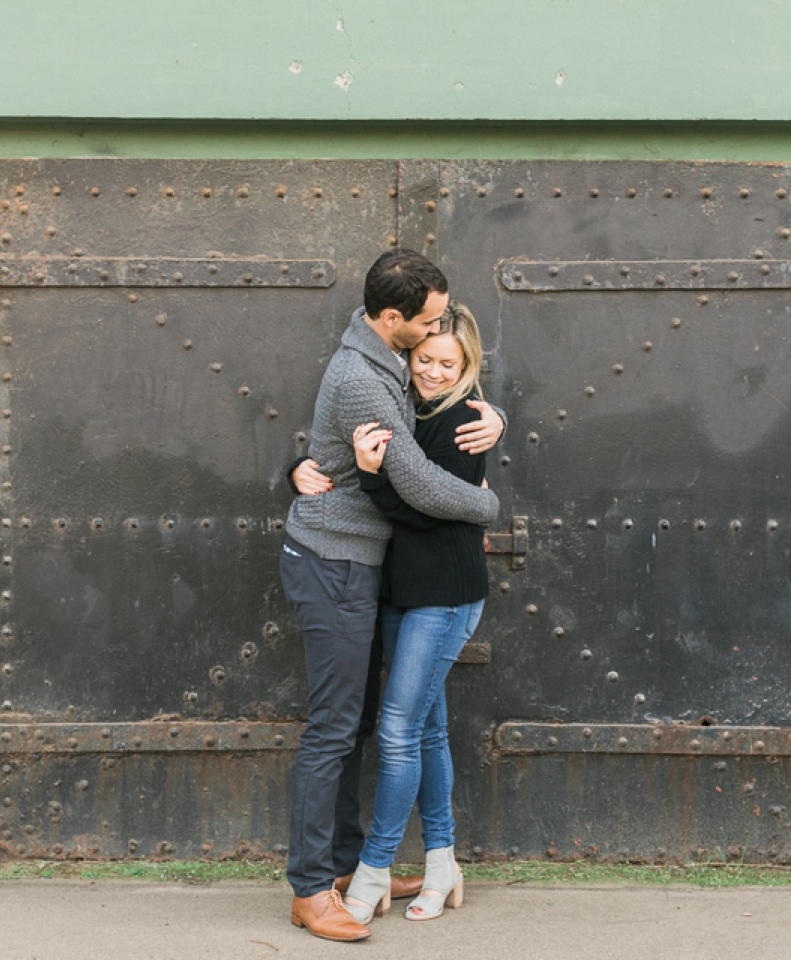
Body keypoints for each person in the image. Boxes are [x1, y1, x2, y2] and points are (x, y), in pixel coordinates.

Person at [280, 250, 505, 942]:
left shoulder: (381, 358)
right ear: (391, 318)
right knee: (333, 729)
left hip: (361, 565)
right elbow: (415, 481)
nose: (439, 327)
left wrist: (489, 414)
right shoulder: (363, 377)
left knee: (358, 725)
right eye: (430, 319)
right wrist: (488, 505)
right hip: (335, 563)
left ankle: (347, 867)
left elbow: (413, 426)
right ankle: (311, 889)